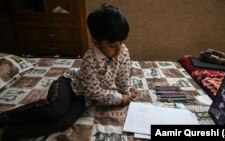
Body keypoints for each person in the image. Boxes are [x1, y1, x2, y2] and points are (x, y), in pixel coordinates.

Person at [0, 4, 136, 141]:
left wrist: (126, 92)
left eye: (122, 42)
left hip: (84, 98)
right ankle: (5, 118)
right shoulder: (89, 59)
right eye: (112, 46)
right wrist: (119, 98)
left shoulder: (123, 52)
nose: (119, 50)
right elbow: (95, 93)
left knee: (64, 122)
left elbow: (122, 78)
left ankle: (8, 132)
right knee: (57, 108)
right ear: (96, 42)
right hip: (69, 84)